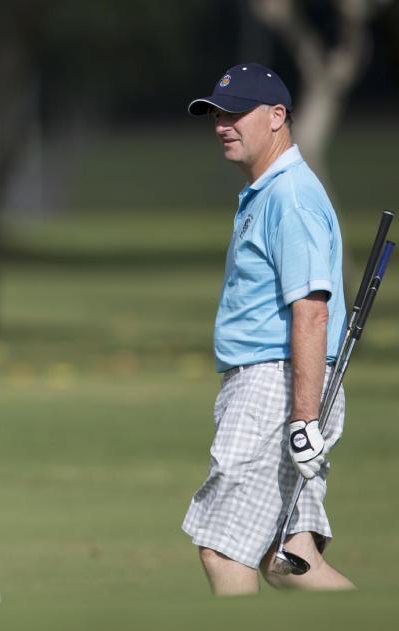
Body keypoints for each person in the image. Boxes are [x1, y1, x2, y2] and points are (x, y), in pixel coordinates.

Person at [181, 63, 355, 595]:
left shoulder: (290, 196)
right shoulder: (270, 191)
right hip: (274, 383)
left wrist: (304, 419)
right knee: (289, 561)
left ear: (277, 116)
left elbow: (312, 311)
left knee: (223, 547)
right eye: (216, 115)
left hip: (273, 385)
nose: (222, 125)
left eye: (235, 114)